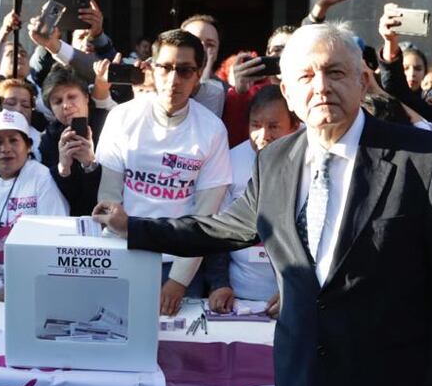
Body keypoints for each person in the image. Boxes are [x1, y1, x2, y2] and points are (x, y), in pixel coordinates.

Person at [94, 22, 432, 386]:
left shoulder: (426, 159)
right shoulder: (275, 159)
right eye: (306, 77)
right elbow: (222, 227)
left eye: (335, 72)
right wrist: (135, 228)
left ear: (363, 80)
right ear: (290, 94)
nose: (321, 87)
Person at [95, 28, 232, 315]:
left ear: (198, 75)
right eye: (166, 67)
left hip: (180, 266)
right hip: (124, 255)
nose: (173, 79)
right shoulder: (121, 118)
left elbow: (205, 217)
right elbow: (108, 199)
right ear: (152, 68)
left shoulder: (213, 130)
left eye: (185, 70)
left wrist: (178, 281)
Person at [204, 85, 298, 316]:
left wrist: (296, 291)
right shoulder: (230, 160)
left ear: (295, 126)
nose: (263, 135)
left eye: (273, 126)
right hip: (238, 297)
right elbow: (218, 230)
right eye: (255, 125)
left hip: (291, 298)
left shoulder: (311, 162)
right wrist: (219, 284)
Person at [0, 110, 68, 300]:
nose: (5, 149)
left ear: (28, 146)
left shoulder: (43, 178)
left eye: (13, 140)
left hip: (39, 286)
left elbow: (56, 238)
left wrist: (25, 285)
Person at [37, 65, 111, 215]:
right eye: (57, 101)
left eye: (71, 97)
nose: (66, 105)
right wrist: (63, 169)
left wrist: (90, 165)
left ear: (86, 97)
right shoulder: (49, 138)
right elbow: (61, 199)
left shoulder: (111, 123)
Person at [222, 25, 295, 146]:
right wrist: (239, 94)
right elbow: (231, 139)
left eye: (291, 50)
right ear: (267, 54)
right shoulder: (250, 93)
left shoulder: (311, 92)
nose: (283, 56)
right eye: (277, 49)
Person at [180, 14, 226, 118]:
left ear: (217, 51)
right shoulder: (158, 78)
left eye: (210, 45)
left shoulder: (226, 93)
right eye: (195, 42)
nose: (203, 49)